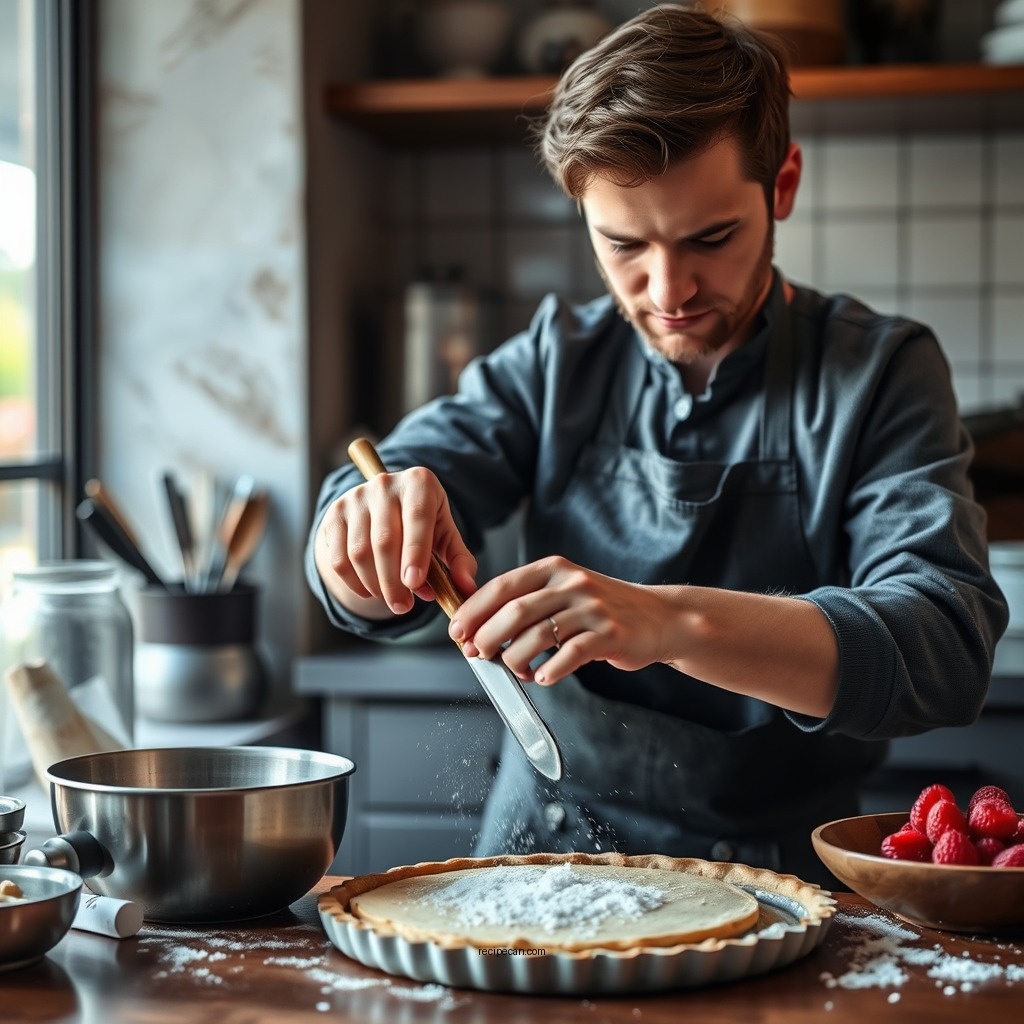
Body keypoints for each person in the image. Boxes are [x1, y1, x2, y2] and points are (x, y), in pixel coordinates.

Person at [306, 3, 1008, 883]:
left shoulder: (880, 373)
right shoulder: (554, 362)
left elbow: (944, 643)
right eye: (623, 244)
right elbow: (366, 506)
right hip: (545, 858)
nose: (668, 289)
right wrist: (359, 541)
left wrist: (669, 620)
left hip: (789, 883)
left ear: (782, 187)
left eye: (711, 239)